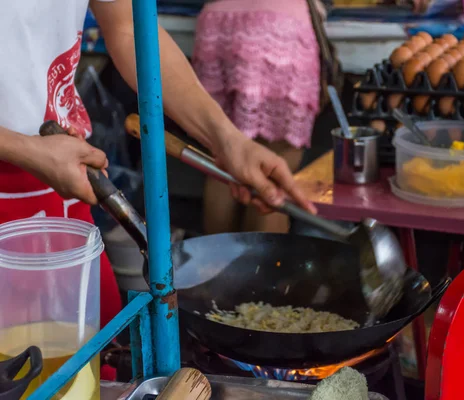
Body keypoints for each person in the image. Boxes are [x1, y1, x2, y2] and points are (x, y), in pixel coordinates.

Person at [0, 0, 315, 329]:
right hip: (22, 169)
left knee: (90, 361)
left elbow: (130, 29)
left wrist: (228, 140)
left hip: (58, 189)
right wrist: (25, 150)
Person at [192, 0, 322, 234]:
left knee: (222, 160)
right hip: (277, 25)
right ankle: (263, 267)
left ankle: (214, 265)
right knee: (277, 170)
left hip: (216, 22)